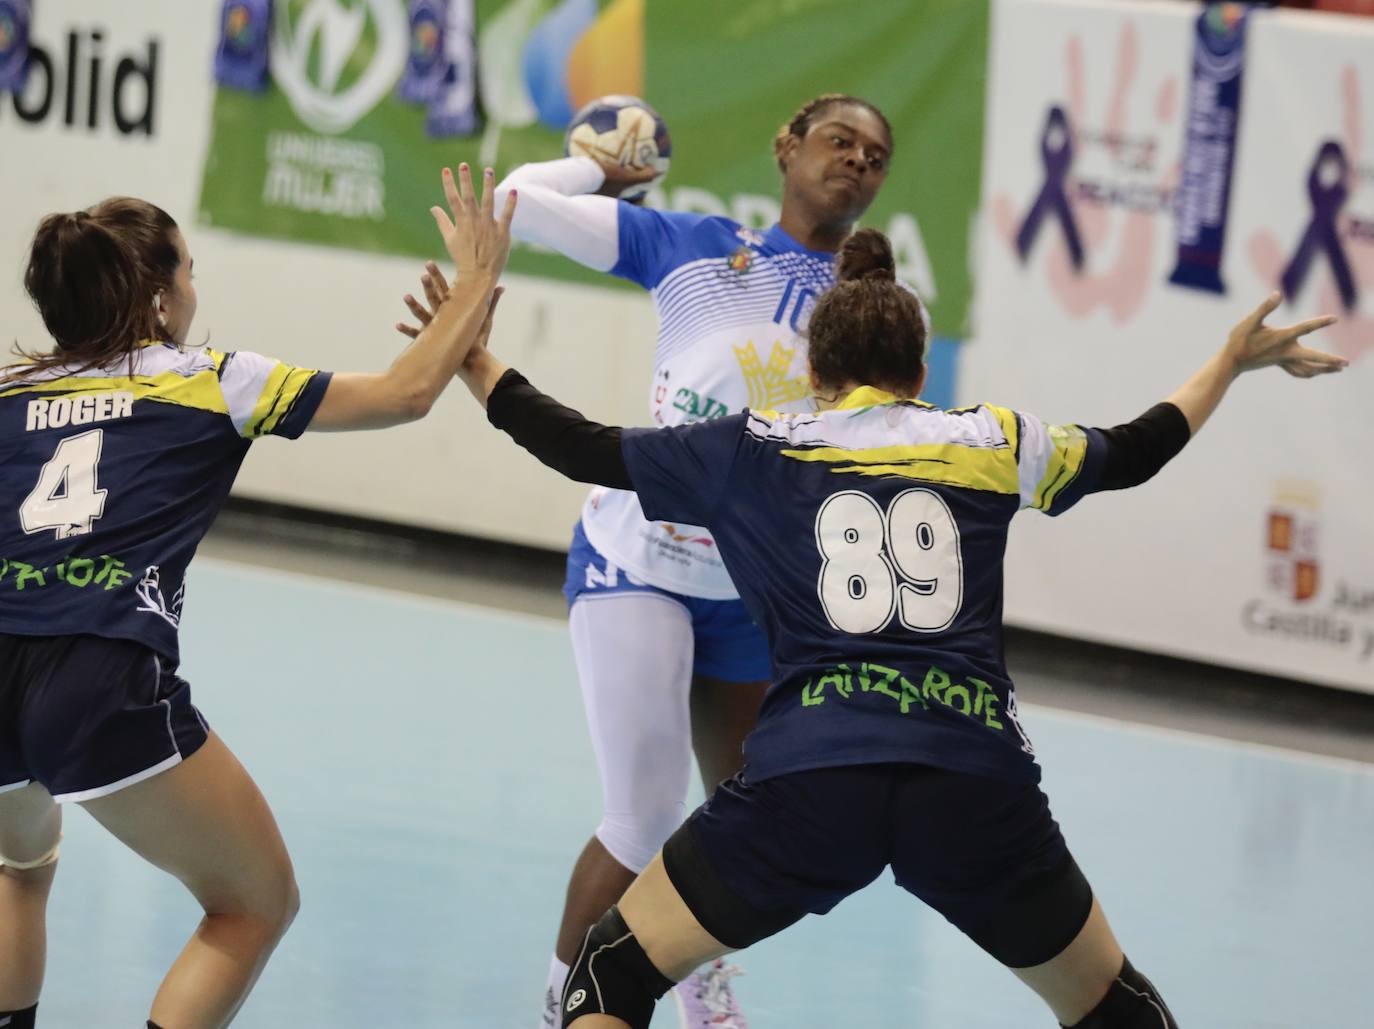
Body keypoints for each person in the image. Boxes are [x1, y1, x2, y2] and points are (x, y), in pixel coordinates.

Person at [453, 227, 1346, 1028]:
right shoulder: (994, 439)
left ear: (813, 369)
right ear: (922, 373)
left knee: (609, 977)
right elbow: (1138, 446)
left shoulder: (750, 445)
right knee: (1115, 1006)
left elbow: (577, 442)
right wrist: (1228, 360)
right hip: (973, 777)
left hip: (810, 779)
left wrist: (473, 357)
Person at [407, 93, 899, 1028]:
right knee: (640, 815)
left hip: (751, 595)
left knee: (746, 812)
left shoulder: (867, 306)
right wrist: (598, 169)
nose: (857, 162)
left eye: (875, 157)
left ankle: (687, 958)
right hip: (640, 564)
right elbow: (511, 200)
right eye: (840, 140)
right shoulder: (695, 247)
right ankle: (564, 1005)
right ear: (787, 145)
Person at [0, 165, 512, 1029]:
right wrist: (474, 284)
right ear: (160, 300)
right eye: (189, 271)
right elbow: (405, 392)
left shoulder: (11, 394)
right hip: (95, 670)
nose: (197, 289)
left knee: (19, 867)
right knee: (254, 902)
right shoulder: (208, 377)